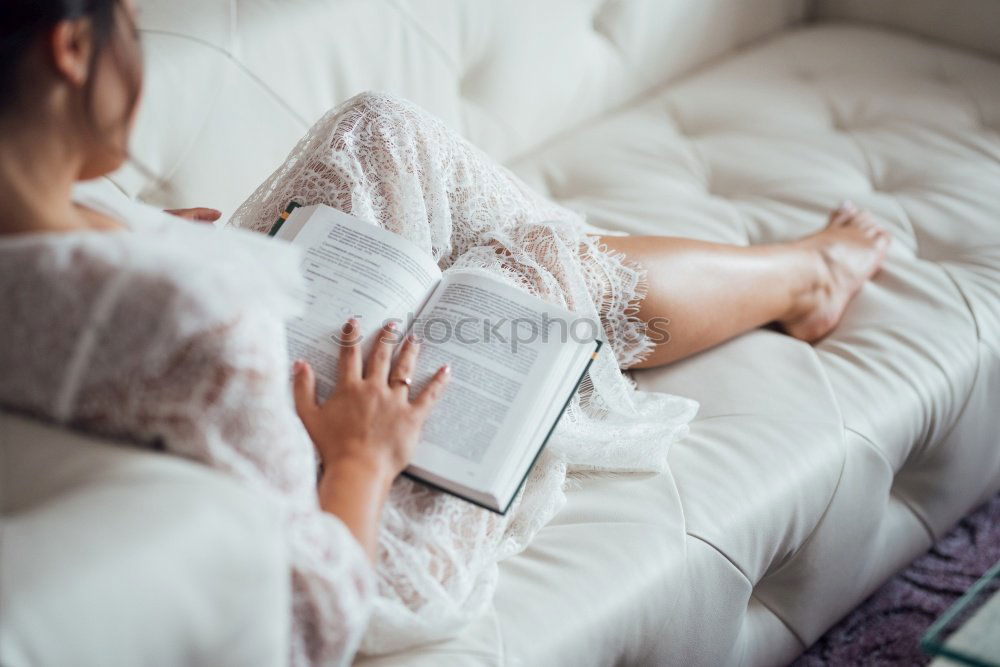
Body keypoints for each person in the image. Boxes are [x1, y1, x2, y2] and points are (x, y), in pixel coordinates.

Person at [0, 0, 891, 665]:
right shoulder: (190, 319)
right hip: (354, 522)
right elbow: (307, 613)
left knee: (377, 132)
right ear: (72, 48)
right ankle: (804, 277)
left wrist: (153, 238)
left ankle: (600, 315)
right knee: (536, 273)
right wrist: (361, 453)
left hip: (223, 376)